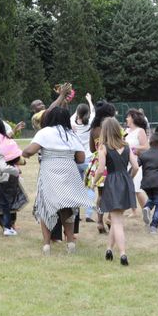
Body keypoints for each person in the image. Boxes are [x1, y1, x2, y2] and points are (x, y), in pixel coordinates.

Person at [22, 107, 93, 256]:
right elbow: (80, 158)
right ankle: (71, 243)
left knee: (45, 206)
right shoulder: (71, 134)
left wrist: (25, 154)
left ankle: (47, 245)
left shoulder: (44, 132)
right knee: (68, 207)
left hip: (49, 171)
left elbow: (28, 151)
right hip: (69, 170)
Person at [94, 117, 139, 266]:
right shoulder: (126, 145)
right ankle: (109, 249)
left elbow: (101, 169)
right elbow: (136, 166)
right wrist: (129, 178)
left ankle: (123, 254)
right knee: (116, 219)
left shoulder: (103, 147)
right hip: (125, 181)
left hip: (112, 182)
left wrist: (94, 182)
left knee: (117, 221)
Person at [85, 101, 117, 234]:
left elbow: (92, 149)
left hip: (98, 164)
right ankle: (110, 218)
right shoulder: (113, 127)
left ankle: (99, 221)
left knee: (101, 195)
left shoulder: (94, 129)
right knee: (114, 194)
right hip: (112, 163)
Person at [71, 92, 96, 222]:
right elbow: (92, 111)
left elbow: (76, 114)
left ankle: (75, 214)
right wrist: (89, 101)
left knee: (75, 188)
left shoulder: (72, 123)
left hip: (76, 160)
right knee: (90, 187)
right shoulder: (90, 123)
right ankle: (88, 214)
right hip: (89, 160)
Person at [124, 108, 149, 219]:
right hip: (126, 163)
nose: (126, 119)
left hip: (137, 163)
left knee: (137, 189)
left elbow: (146, 147)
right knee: (130, 188)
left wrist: (133, 148)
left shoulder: (140, 131)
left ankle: (147, 211)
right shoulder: (126, 131)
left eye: (128, 117)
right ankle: (134, 211)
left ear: (133, 118)